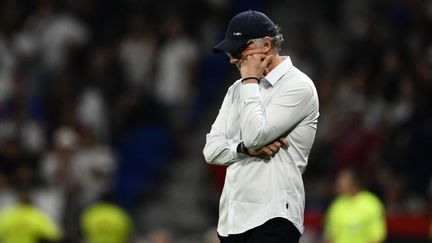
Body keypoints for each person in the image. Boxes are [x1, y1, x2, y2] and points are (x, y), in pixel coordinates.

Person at [203, 10, 319, 243]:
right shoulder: (236, 90)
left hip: (274, 216)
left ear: (266, 45)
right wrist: (242, 149)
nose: (233, 59)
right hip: (232, 219)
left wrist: (250, 80)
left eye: (238, 51)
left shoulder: (298, 86)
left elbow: (257, 136)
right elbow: (211, 151)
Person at [324, 168, 386, 243]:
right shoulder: (335, 206)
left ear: (355, 182)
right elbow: (330, 237)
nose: (339, 183)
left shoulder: (371, 203)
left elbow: (377, 236)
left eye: (343, 180)